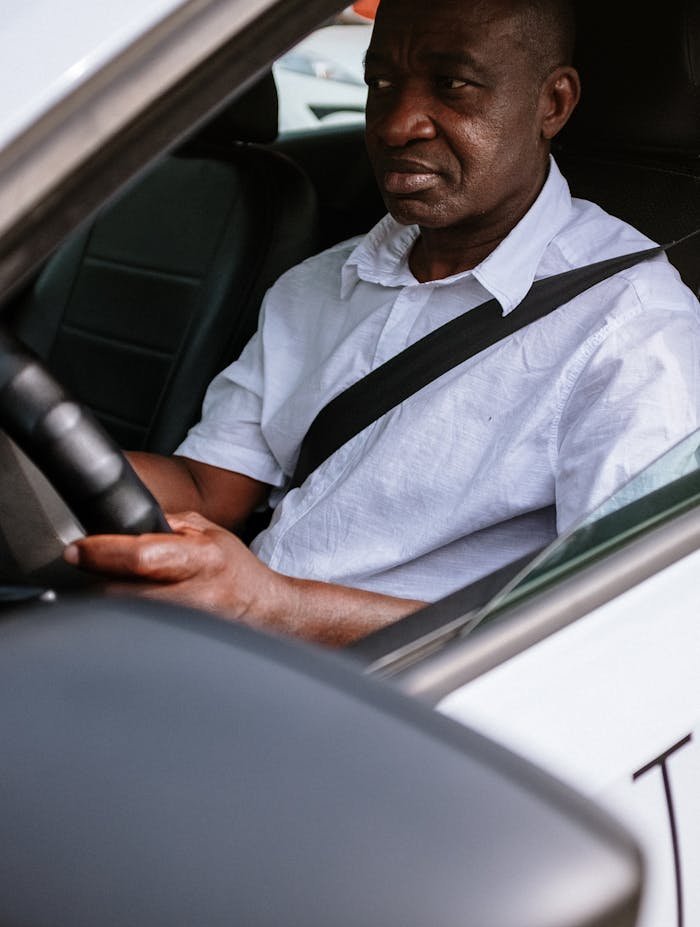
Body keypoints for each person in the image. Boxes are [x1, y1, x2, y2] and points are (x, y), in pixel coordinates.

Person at [64, 0, 700, 645]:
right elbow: (209, 488)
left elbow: (612, 634)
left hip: (410, 695)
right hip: (235, 648)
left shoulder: (633, 331)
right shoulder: (320, 284)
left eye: (453, 85)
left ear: (552, 103)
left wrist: (274, 606)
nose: (395, 125)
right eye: (381, 85)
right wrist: (33, 467)